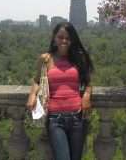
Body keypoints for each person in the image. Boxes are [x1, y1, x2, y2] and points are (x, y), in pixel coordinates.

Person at [26, 22, 94, 160]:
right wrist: (32, 95)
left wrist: (86, 96)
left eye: (67, 38)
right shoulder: (46, 59)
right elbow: (37, 80)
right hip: (55, 119)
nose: (64, 40)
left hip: (77, 117)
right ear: (54, 38)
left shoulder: (78, 58)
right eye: (60, 37)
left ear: (72, 39)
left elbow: (88, 82)